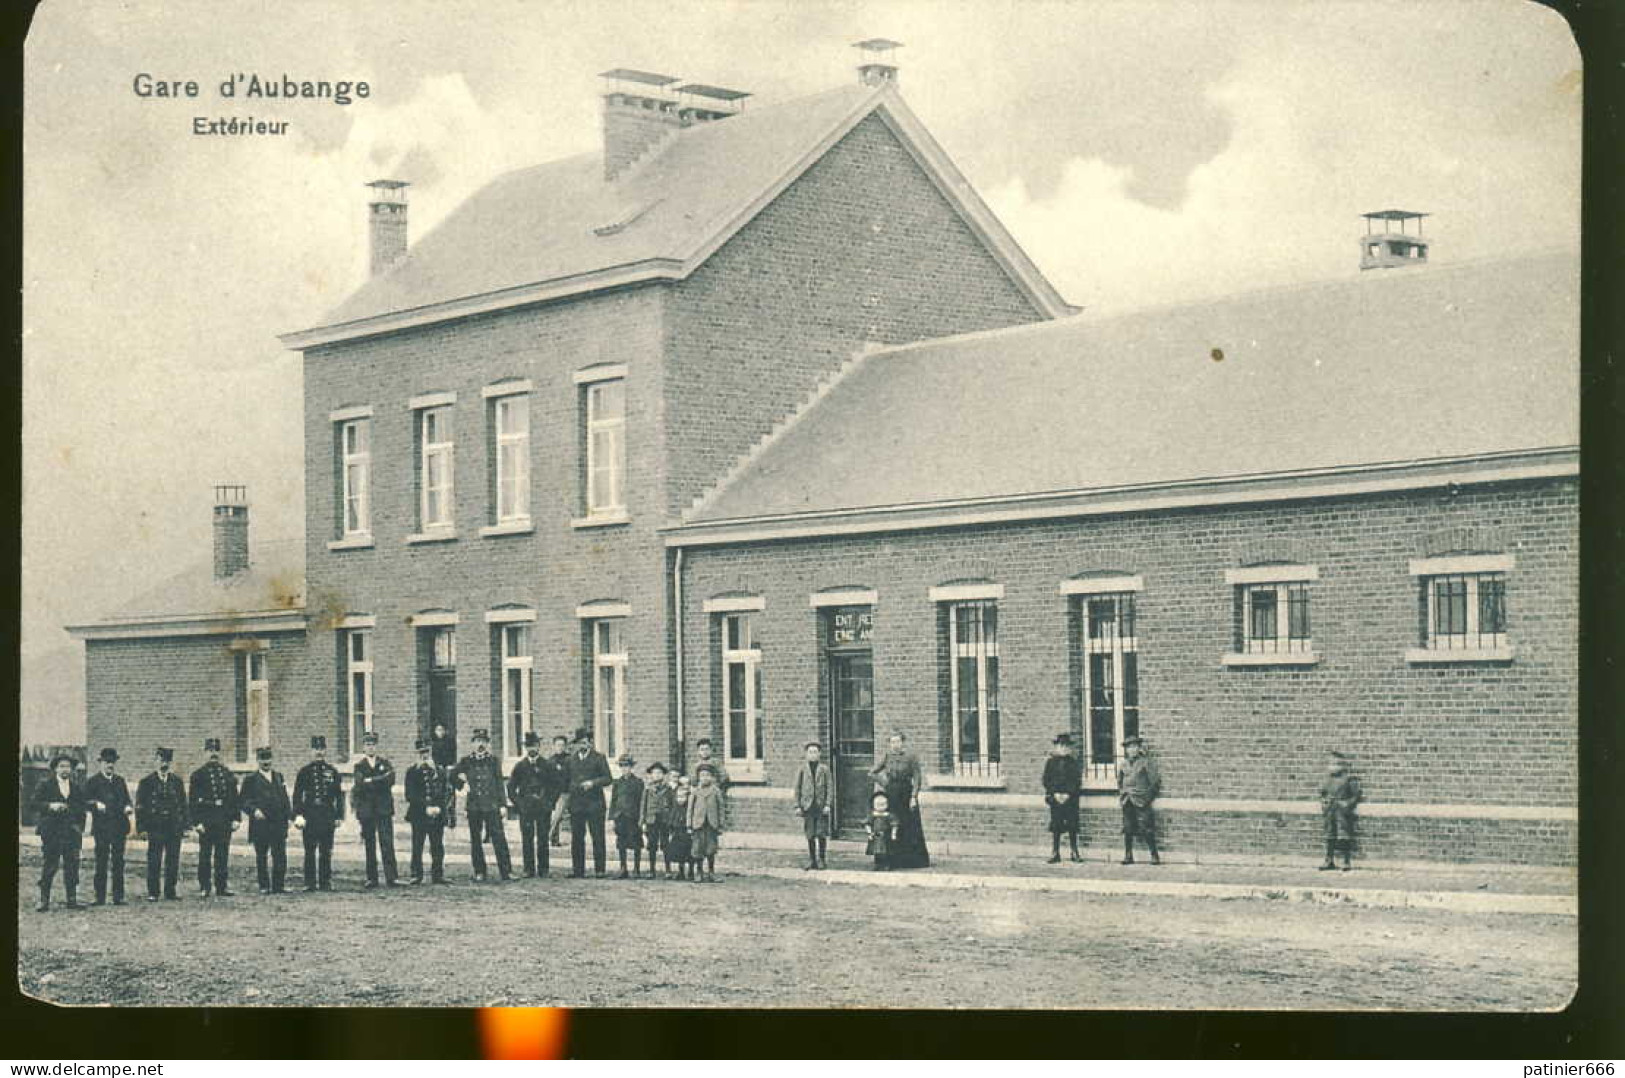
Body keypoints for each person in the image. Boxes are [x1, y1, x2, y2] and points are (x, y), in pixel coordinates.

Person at [453, 728, 514, 882]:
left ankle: (506, 871)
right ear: (472, 744)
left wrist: (503, 805)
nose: (480, 745)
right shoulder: (466, 761)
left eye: (483, 742)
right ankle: (479, 871)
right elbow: (452, 776)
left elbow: (499, 783)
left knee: (499, 838)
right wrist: (462, 784)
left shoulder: (493, 761)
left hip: (491, 805)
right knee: (476, 839)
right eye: (477, 741)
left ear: (487, 744)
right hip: (474, 806)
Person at [32, 753, 87, 911]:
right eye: (62, 766)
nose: (65, 769)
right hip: (52, 832)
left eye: (68, 766)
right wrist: (50, 806)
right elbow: (33, 803)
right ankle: (44, 900)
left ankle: (72, 899)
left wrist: (79, 828)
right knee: (50, 865)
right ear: (55, 768)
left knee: (72, 866)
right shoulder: (46, 785)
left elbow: (81, 808)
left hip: (71, 833)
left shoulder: (76, 787)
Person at [869, 732, 930, 869]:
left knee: (909, 824)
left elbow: (917, 778)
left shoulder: (911, 757)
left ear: (903, 742)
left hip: (906, 793)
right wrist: (885, 783)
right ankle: (892, 859)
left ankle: (912, 860)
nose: (895, 745)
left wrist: (914, 797)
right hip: (892, 794)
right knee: (891, 824)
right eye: (892, 742)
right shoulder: (887, 757)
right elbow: (872, 772)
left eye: (897, 742)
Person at [188, 737, 239, 897]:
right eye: (210, 751)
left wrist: (236, 818)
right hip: (207, 821)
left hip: (224, 820)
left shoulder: (227, 774)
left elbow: (234, 798)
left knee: (222, 855)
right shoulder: (198, 775)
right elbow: (193, 801)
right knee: (205, 855)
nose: (213, 754)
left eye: (216, 751)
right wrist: (196, 822)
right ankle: (205, 886)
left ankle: (221, 886)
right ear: (205, 752)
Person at [292, 735, 345, 891]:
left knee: (326, 850)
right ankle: (309, 882)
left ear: (325, 750)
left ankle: (325, 881)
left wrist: (339, 815)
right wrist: (298, 814)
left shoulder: (332, 771)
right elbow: (297, 795)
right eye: (316, 749)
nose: (319, 752)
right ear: (311, 750)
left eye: (321, 749)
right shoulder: (304, 772)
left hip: (327, 814)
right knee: (309, 850)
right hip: (310, 814)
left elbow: (338, 796)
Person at [238, 746, 293, 894]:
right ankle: (264, 885)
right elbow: (243, 801)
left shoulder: (279, 777)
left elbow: (285, 799)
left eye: (268, 758)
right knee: (261, 856)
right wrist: (254, 810)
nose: (266, 762)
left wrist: (288, 816)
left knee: (280, 855)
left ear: (272, 759)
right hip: (260, 824)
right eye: (263, 759)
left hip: (278, 824)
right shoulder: (250, 780)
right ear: (257, 761)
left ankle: (278, 885)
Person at [135, 746, 186, 902]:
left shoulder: (177, 782)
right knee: (154, 860)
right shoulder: (146, 782)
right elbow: (140, 806)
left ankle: (170, 891)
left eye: (167, 761)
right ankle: (153, 892)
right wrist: (141, 827)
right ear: (155, 761)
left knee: (173, 860)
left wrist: (185, 826)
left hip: (173, 827)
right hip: (155, 827)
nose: (164, 764)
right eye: (161, 760)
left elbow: (183, 805)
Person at [507, 731, 562, 878]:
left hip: (543, 807)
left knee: (543, 838)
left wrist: (550, 802)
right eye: (529, 746)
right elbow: (511, 788)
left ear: (539, 747)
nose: (532, 749)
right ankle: (528, 869)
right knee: (527, 838)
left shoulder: (547, 765)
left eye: (534, 746)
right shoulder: (520, 766)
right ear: (525, 748)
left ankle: (543, 869)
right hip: (526, 808)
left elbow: (556, 786)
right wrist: (519, 804)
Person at [85, 747, 134, 905]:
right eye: (107, 762)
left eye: (112, 762)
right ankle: (99, 897)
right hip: (102, 828)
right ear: (101, 763)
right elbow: (84, 801)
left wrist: (127, 806)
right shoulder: (93, 781)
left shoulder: (120, 781)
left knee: (119, 861)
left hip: (119, 827)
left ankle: (118, 897)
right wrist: (95, 804)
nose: (110, 766)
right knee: (101, 861)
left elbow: (127, 799)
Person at [352, 731, 401, 889]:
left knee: (387, 843)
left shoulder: (385, 763)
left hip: (383, 809)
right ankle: (371, 878)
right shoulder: (359, 766)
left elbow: (391, 779)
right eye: (367, 745)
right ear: (363, 747)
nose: (370, 747)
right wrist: (380, 780)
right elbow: (359, 784)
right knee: (370, 844)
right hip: (367, 811)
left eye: (373, 744)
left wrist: (370, 781)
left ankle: (391, 877)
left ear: (376, 746)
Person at [564, 727, 613, 878]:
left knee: (597, 836)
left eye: (585, 742)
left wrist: (592, 783)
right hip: (577, 804)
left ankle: (600, 869)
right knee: (577, 838)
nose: (583, 745)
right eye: (580, 743)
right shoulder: (570, 760)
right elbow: (566, 781)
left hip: (594, 804)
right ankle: (578, 870)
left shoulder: (599, 758)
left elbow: (608, 778)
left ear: (590, 743)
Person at [404, 736, 452, 884]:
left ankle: (438, 874)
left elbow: (446, 791)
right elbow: (410, 794)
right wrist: (425, 807)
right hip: (419, 814)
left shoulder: (440, 771)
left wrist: (439, 807)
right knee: (417, 844)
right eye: (421, 752)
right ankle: (416, 874)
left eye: (427, 752)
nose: (424, 755)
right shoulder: (412, 772)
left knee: (437, 845)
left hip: (437, 813)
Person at [1117, 733, 1161, 865]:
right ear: (1126, 750)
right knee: (1128, 828)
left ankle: (1154, 855)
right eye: (1129, 747)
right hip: (1127, 800)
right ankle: (1128, 855)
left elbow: (1155, 782)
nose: (1132, 750)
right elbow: (1119, 781)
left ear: (1139, 748)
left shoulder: (1145, 763)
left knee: (1146, 828)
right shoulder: (1123, 764)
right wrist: (1123, 793)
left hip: (1142, 801)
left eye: (1135, 747)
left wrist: (1147, 797)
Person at [1042, 732, 1084, 864]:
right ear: (1056, 747)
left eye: (1066, 746)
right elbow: (1046, 780)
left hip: (1070, 799)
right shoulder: (1050, 763)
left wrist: (1068, 794)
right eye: (1061, 746)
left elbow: (1076, 781)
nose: (1063, 748)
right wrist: (1054, 793)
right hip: (1056, 799)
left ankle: (1074, 851)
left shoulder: (1074, 763)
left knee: (1072, 825)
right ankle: (1055, 852)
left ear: (1070, 748)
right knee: (1056, 825)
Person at [1319, 750, 1363, 871]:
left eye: (1337, 763)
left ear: (1343, 765)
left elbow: (1356, 795)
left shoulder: (1349, 779)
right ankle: (1329, 859)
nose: (1334, 766)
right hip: (1330, 810)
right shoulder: (1327, 779)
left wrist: (1347, 804)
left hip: (1342, 811)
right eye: (1332, 763)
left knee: (1344, 835)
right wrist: (1324, 803)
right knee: (1330, 834)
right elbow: (1323, 793)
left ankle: (1346, 861)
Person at [793, 741, 833, 870]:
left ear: (819, 754)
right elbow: (797, 788)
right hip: (808, 806)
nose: (813, 754)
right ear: (806, 754)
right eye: (810, 752)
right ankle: (812, 859)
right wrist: (797, 806)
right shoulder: (802, 770)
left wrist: (828, 804)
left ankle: (821, 859)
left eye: (815, 752)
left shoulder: (824, 769)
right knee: (810, 834)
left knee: (821, 833)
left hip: (820, 806)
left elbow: (830, 788)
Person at [687, 763, 725, 883]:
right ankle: (699, 872)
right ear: (698, 777)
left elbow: (721, 808)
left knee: (711, 849)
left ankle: (711, 872)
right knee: (698, 849)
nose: (705, 778)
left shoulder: (716, 791)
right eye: (702, 775)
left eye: (707, 775)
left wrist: (720, 824)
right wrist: (689, 824)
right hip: (698, 824)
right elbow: (690, 809)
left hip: (711, 824)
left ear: (712, 777)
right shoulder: (695, 791)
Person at [608, 753, 645, 879]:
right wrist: (612, 818)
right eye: (622, 766)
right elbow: (613, 801)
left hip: (633, 817)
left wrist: (641, 818)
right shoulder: (617, 783)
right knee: (621, 843)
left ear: (631, 767)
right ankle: (623, 867)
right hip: (620, 816)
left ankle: (637, 868)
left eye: (627, 766)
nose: (625, 769)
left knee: (636, 842)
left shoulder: (638, 782)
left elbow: (642, 802)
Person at [640, 762, 674, 879]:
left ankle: (668, 870)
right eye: (655, 773)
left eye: (659, 773)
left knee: (665, 844)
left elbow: (672, 805)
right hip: (651, 820)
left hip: (664, 820)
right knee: (652, 845)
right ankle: (651, 869)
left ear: (663, 775)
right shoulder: (648, 789)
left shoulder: (668, 789)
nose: (657, 775)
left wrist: (671, 821)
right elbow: (643, 806)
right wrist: (642, 822)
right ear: (651, 775)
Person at [692, 737, 732, 827]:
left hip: (713, 794)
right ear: (698, 752)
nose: (704, 752)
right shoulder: (696, 765)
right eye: (702, 749)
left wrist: (718, 790)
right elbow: (694, 781)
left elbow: (724, 778)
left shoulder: (716, 763)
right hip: (701, 796)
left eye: (706, 749)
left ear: (710, 750)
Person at [429, 721, 458, 827]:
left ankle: (451, 818)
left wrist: (450, 766)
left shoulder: (450, 743)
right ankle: (442, 817)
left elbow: (453, 756)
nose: (439, 732)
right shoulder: (433, 744)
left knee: (449, 793)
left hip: (448, 770)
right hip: (438, 770)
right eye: (437, 730)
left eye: (441, 730)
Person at [546, 734, 572, 846]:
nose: (560, 747)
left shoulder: (570, 759)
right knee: (554, 816)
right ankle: (554, 840)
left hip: (565, 792)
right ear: (554, 746)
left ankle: (547, 836)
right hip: (552, 792)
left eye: (562, 745)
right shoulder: (550, 761)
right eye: (558, 745)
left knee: (557, 815)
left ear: (565, 746)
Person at [668, 775, 694, 880]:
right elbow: (672, 816)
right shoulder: (675, 807)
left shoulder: (690, 805)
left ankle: (691, 871)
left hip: (687, 831)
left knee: (690, 852)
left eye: (683, 797)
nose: (680, 799)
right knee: (679, 853)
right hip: (678, 831)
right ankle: (681, 871)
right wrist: (671, 827)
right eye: (678, 797)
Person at [865, 791, 896, 871]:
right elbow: (868, 824)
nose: (880, 807)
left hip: (886, 836)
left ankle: (886, 864)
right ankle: (877, 864)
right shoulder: (873, 815)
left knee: (886, 851)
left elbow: (894, 825)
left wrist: (893, 834)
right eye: (878, 805)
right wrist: (869, 833)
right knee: (877, 851)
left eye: (883, 804)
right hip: (876, 836)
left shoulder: (888, 815)